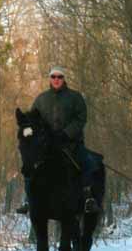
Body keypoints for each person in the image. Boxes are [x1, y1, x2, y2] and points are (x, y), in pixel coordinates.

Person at [16, 66, 100, 214]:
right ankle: (28, 200)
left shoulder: (75, 97)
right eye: (53, 76)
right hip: (48, 145)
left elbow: (81, 118)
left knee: (88, 162)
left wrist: (66, 134)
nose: (56, 79)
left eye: (59, 77)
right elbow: (33, 120)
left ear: (64, 78)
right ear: (50, 78)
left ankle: (89, 198)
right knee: (30, 164)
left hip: (72, 143)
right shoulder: (41, 99)